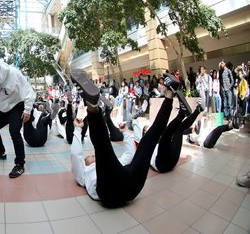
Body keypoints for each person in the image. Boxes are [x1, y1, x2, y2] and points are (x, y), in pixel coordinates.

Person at [69, 69, 177, 207]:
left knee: (148, 140)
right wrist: (77, 130)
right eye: (88, 157)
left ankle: (169, 94)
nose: (90, 156)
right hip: (110, 191)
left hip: (130, 185)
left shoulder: (111, 165)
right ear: (86, 163)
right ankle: (92, 106)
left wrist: (126, 132)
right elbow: (75, 154)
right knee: (102, 148)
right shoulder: (83, 173)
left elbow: (130, 154)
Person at [150, 101, 203, 173]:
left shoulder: (155, 139)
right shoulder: (146, 143)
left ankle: (197, 110)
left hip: (171, 157)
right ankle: (182, 114)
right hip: (161, 164)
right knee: (166, 135)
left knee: (179, 129)